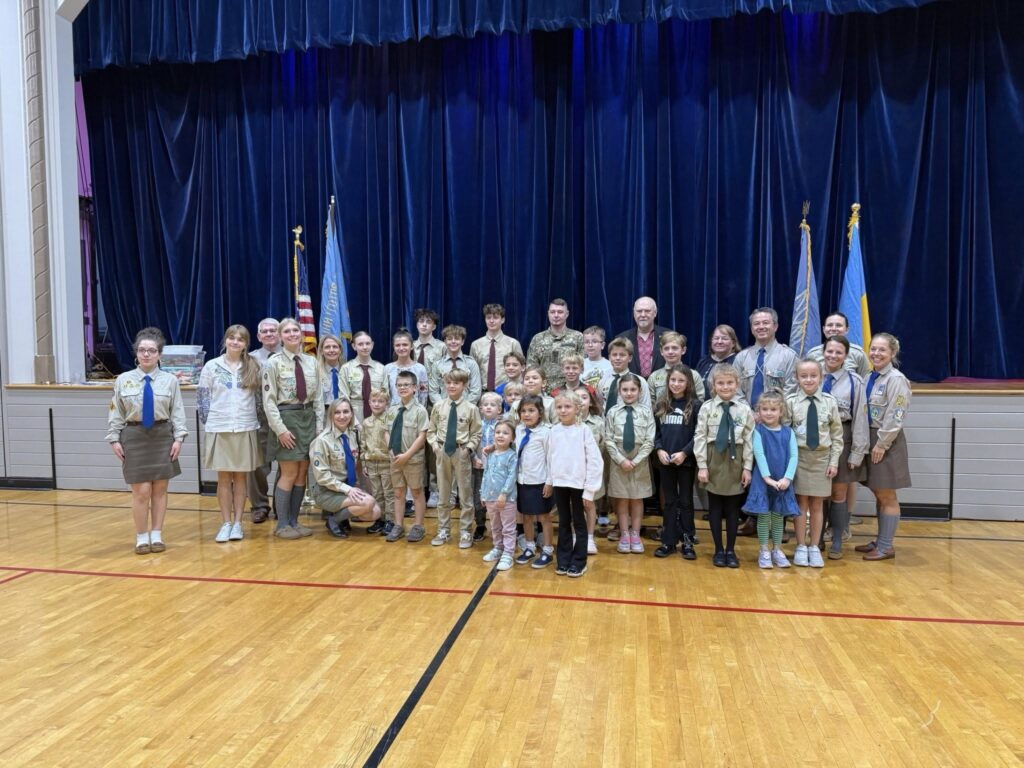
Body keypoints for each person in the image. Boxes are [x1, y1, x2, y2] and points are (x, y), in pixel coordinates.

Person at [106, 327, 188, 555]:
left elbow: (177, 411)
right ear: (136, 353)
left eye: (151, 350)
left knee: (160, 489)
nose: (146, 354)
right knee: (141, 491)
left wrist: (179, 438)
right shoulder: (123, 380)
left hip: (162, 436)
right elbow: (116, 411)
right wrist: (114, 439)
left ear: (159, 354)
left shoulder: (170, 381)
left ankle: (157, 534)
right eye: (142, 350)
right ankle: (142, 536)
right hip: (134, 437)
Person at [197, 324, 263, 543]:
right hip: (220, 427)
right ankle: (225, 523)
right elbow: (203, 399)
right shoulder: (211, 366)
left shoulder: (253, 366)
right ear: (225, 340)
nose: (235, 342)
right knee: (224, 478)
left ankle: (238, 523)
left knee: (241, 477)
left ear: (246, 344)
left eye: (240, 339)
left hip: (244, 426)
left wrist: (256, 421)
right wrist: (212, 422)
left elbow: (259, 400)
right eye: (231, 338)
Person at [263, 317, 324, 539]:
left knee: (302, 473)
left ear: (301, 334)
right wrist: (280, 429)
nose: (292, 334)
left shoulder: (311, 362)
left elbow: (318, 397)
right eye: (287, 331)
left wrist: (319, 427)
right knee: (289, 472)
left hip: (308, 418)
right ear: (280, 337)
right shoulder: (273, 363)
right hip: (287, 419)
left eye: (295, 330)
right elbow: (269, 401)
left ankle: (294, 521)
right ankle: (282, 524)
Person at [855, 333, 913, 561]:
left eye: (882, 350)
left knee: (887, 494)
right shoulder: (870, 376)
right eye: (873, 349)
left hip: (885, 441)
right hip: (870, 438)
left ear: (892, 353)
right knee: (878, 492)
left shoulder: (896, 379)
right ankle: (880, 540)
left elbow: (896, 415)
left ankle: (886, 546)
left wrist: (882, 444)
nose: (876, 353)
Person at [694, 364, 755, 568]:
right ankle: (718, 549)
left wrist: (747, 468)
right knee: (715, 507)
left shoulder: (744, 409)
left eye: (730, 383)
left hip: (736, 458)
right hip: (714, 458)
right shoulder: (707, 407)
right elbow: (700, 437)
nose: (725, 387)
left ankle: (731, 549)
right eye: (721, 383)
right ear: (714, 385)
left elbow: (749, 440)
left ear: (737, 384)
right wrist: (702, 466)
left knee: (732, 509)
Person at [786, 359, 844, 568]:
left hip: (821, 459)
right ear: (797, 378)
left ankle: (814, 546)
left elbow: (837, 436)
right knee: (801, 504)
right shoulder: (790, 402)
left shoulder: (829, 402)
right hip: (799, 458)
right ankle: (801, 546)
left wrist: (834, 462)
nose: (809, 380)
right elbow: (785, 434)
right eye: (804, 376)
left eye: (813, 376)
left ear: (821, 377)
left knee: (817, 505)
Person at [820, 335, 869, 559]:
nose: (833, 356)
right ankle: (818, 538)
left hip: (844, 437)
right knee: (818, 491)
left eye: (838, 352)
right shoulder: (813, 375)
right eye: (829, 351)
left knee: (838, 491)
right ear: (823, 351)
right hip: (817, 439)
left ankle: (838, 539)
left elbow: (860, 417)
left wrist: (857, 452)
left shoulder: (855, 382)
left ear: (846, 356)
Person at [546, 392, 604, 578]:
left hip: (579, 485)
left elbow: (595, 461)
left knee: (579, 522)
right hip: (560, 484)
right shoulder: (554, 431)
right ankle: (563, 560)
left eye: (567, 407)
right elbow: (550, 458)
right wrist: (549, 481)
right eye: (559, 407)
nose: (563, 410)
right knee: (564, 521)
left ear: (577, 408)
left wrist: (589, 490)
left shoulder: (583, 430)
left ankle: (579, 561)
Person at [741, 391, 800, 569]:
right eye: (764, 409)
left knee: (778, 517)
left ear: (781, 411)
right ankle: (764, 550)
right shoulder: (758, 431)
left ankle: (777, 550)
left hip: (782, 481)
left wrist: (787, 478)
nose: (768, 413)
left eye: (773, 409)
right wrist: (767, 478)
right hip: (763, 481)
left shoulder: (789, 432)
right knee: (764, 517)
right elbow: (759, 454)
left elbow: (794, 456)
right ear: (759, 411)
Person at [427, 368, 482, 548]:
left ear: (464, 385)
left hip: (461, 451)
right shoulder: (438, 407)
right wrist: (435, 446)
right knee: (443, 493)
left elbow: (476, 433)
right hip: (442, 451)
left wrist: (468, 449)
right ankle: (443, 530)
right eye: (449, 382)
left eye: (456, 383)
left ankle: (466, 531)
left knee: (465, 494)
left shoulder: (471, 408)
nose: (451, 386)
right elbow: (431, 430)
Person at [310, 398, 381, 536]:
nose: (342, 416)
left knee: (375, 512)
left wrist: (354, 486)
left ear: (351, 414)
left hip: (346, 488)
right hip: (327, 491)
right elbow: (322, 477)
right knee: (368, 503)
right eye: (337, 412)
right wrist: (348, 490)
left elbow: (354, 464)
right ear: (331, 415)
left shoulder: (353, 435)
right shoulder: (322, 440)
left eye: (346, 412)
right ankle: (334, 520)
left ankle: (342, 517)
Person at [653, 365, 700, 560]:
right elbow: (655, 433)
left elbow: (699, 434)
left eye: (681, 380)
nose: (676, 384)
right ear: (668, 381)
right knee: (670, 502)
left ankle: (688, 541)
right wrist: (659, 449)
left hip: (686, 462)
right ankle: (669, 540)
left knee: (686, 501)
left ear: (688, 382)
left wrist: (685, 453)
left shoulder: (695, 405)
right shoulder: (661, 404)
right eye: (673, 380)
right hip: (666, 462)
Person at [606, 374, 656, 554]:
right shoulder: (612, 412)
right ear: (619, 391)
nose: (629, 393)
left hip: (639, 461)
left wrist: (635, 461)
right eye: (625, 390)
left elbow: (650, 440)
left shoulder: (646, 412)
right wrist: (621, 460)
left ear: (639, 391)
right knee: (622, 498)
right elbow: (608, 439)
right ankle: (624, 533)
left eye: (633, 389)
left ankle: (635, 533)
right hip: (618, 460)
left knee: (637, 498)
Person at [385, 371, 430, 543]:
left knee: (416, 491)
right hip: (395, 459)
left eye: (406, 385)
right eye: (399, 385)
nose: (403, 388)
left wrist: (407, 455)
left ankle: (418, 526)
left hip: (413, 459)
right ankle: (398, 525)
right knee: (398, 492)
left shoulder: (420, 411)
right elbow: (386, 432)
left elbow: (422, 436)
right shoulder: (392, 410)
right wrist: (391, 450)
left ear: (415, 388)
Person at [513, 396, 554, 567]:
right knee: (526, 516)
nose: (527, 414)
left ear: (540, 412)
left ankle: (548, 550)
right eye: (523, 411)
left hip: (540, 481)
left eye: (531, 410)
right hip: (522, 481)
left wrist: (549, 482)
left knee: (544, 516)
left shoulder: (547, 432)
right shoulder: (519, 429)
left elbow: (551, 459)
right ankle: (529, 547)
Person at [247, 317, 280, 524]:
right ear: (259, 336)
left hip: (286, 417)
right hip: (260, 419)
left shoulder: (292, 356)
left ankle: (281, 506)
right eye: (264, 331)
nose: (269, 334)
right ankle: (259, 506)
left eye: (273, 330)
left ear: (280, 333)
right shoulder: (250, 359)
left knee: (287, 466)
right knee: (257, 466)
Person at [412, 308, 445, 509]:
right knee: (415, 446)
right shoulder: (410, 346)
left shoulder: (441, 347)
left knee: (433, 447)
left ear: (434, 326)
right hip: (413, 402)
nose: (424, 325)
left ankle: (434, 488)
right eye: (421, 321)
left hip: (434, 403)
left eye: (428, 322)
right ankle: (417, 488)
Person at [733, 307, 798, 406]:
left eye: (765, 323)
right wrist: (747, 412)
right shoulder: (741, 357)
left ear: (775, 326)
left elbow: (791, 390)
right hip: (746, 414)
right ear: (752, 329)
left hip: (778, 413)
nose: (761, 327)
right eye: (756, 323)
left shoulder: (789, 356)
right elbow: (735, 389)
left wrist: (770, 411)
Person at [479, 420, 519, 572]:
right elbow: (486, 473)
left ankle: (508, 553)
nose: (501, 435)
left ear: (512, 438)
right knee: (495, 526)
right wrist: (483, 493)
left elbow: (512, 476)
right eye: (498, 432)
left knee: (508, 527)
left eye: (505, 433)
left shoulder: (512, 456)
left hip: (506, 499)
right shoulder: (490, 455)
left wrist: (503, 494)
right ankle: (498, 547)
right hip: (490, 497)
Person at [360, 388, 396, 537]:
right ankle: (379, 519)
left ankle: (390, 520)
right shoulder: (366, 422)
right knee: (376, 493)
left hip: (386, 462)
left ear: (386, 403)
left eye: (380, 401)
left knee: (389, 493)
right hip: (371, 462)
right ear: (369, 402)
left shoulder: (389, 420)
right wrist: (364, 462)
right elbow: (363, 443)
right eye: (374, 401)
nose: (376, 404)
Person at [527, 298, 584, 390]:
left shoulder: (577, 337)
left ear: (567, 314)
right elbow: (531, 367)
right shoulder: (538, 338)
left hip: (570, 390)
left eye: (560, 312)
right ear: (548, 314)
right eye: (552, 312)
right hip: (544, 391)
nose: (556, 315)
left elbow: (583, 365)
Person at [575, 385, 606, 555]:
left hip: (590, 471)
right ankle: (576, 535)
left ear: (591, 402)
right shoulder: (566, 421)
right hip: (572, 472)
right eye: (576, 397)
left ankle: (589, 537)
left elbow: (602, 446)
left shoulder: (598, 422)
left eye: (584, 397)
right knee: (574, 505)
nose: (580, 401)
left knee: (589, 504)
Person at [470, 303, 524, 392]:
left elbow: (521, 371)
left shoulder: (513, 343)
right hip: (483, 393)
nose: (491, 321)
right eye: (488, 318)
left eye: (495, 318)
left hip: (507, 393)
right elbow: (472, 372)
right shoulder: (476, 345)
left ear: (502, 320)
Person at [472, 393, 504, 542]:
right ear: (480, 408)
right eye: (485, 405)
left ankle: (500, 527)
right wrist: (474, 458)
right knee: (479, 498)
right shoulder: (477, 425)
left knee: (497, 498)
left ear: (499, 409)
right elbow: (470, 443)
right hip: (480, 466)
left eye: (493, 405)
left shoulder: (502, 427)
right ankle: (480, 525)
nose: (489, 407)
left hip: (497, 468)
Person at [615, 296, 672, 378]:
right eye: (639, 311)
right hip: (631, 384)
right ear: (634, 314)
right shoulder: (622, 338)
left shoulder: (668, 335)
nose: (643, 315)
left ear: (655, 313)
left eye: (647, 311)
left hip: (662, 383)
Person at [429, 325, 482, 406]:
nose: (453, 341)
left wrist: (464, 407)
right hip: (443, 409)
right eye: (449, 339)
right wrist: (443, 407)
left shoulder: (471, 364)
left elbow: (476, 391)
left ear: (462, 342)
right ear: (445, 342)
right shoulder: (437, 365)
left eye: (457, 339)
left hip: (466, 409)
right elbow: (433, 392)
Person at [339, 330, 386, 423]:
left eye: (367, 343)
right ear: (354, 346)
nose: (365, 347)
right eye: (360, 344)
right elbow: (344, 398)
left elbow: (386, 396)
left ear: (372, 345)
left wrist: (382, 420)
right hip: (354, 415)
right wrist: (354, 422)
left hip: (378, 415)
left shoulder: (381, 368)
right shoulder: (346, 369)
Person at [806, 312, 871, 377]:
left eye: (838, 325)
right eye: (830, 325)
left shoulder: (858, 354)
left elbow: (865, 380)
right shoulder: (813, 354)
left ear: (847, 330)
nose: (834, 329)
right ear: (824, 329)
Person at [647, 332, 706, 402]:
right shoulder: (654, 377)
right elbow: (650, 403)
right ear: (661, 351)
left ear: (683, 350)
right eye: (666, 348)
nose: (670, 352)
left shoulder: (693, 375)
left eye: (674, 348)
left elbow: (699, 401)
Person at [599, 338, 652, 412]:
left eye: (622, 355)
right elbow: (599, 407)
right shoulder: (603, 380)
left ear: (630, 358)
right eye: (614, 355)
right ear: (609, 357)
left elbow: (647, 409)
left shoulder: (640, 381)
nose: (618, 358)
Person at [695, 324, 742, 405]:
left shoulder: (738, 361)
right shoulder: (703, 361)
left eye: (724, 338)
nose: (719, 342)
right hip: (703, 408)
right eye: (716, 338)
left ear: (733, 343)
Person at [384, 328, 429, 406]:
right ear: (394, 347)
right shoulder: (387, 369)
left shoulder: (420, 369)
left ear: (411, 346)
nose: (401, 348)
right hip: (393, 411)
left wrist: (420, 410)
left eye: (405, 345)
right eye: (398, 345)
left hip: (415, 411)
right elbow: (385, 394)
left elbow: (423, 395)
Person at [581, 325, 614, 393]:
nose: (590, 345)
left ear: (602, 345)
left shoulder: (610, 366)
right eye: (587, 342)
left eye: (594, 341)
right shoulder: (579, 364)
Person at [317, 333, 346, 406]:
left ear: (340, 350)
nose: (331, 350)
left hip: (344, 410)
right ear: (321, 351)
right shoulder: (315, 372)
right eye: (327, 347)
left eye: (335, 347)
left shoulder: (348, 370)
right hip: (324, 410)